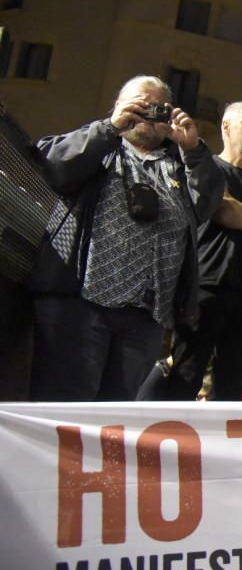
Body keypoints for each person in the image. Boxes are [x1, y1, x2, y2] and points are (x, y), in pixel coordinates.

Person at [29, 75, 224, 401]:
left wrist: (195, 151)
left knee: (114, 418)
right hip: (81, 308)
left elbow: (208, 201)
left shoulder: (177, 165)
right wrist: (110, 128)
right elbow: (53, 165)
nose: (148, 113)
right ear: (117, 108)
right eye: (139, 104)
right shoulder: (101, 146)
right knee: (67, 408)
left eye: (158, 107)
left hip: (145, 318)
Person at [168, 101, 242, 401]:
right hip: (205, 284)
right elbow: (224, 212)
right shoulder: (207, 167)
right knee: (187, 373)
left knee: (233, 381)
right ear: (226, 126)